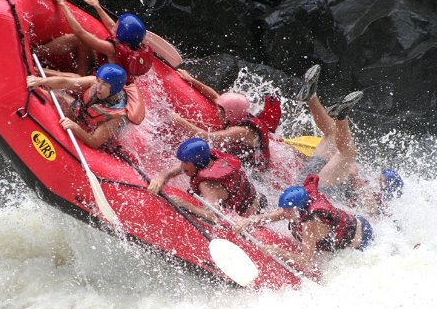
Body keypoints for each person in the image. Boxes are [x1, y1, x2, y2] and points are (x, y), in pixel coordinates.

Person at [294, 64, 404, 217]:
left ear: (384, 187)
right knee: (332, 134)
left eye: (380, 179)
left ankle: (340, 115)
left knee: (348, 152)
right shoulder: (372, 192)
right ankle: (311, 96)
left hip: (316, 197)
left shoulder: (376, 202)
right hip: (311, 185)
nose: (376, 178)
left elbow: (367, 206)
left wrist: (355, 176)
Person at [234, 175, 374, 272]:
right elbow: (270, 216)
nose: (284, 213)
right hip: (353, 220)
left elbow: (306, 261)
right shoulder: (297, 210)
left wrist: (278, 252)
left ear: (298, 209)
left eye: (288, 210)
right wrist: (250, 220)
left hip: (361, 238)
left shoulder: (310, 224)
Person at [169, 69, 282, 170]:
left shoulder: (241, 131)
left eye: (221, 110)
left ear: (230, 113)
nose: (218, 112)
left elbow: (206, 137)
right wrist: (191, 80)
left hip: (254, 170)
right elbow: (216, 97)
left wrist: (179, 121)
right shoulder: (239, 112)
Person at [36, 0, 153, 83]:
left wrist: (62, 4)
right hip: (99, 72)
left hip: (96, 84)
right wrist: (96, 6)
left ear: (122, 34)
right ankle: (35, 52)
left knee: (76, 77)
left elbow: (79, 32)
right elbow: (112, 27)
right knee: (78, 41)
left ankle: (34, 70)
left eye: (118, 25)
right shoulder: (131, 44)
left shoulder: (112, 49)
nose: (114, 25)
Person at [26, 63, 145, 149]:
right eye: (98, 81)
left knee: (60, 99)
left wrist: (75, 127)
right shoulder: (95, 82)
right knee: (59, 94)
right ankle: (31, 84)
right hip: (83, 115)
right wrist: (40, 81)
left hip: (92, 132)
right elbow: (66, 83)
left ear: (114, 89)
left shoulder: (115, 116)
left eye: (104, 84)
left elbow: (94, 142)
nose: (98, 86)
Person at [147, 138, 267, 221]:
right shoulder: (207, 160)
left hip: (252, 212)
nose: (182, 166)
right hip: (256, 197)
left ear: (196, 162)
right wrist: (161, 177)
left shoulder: (206, 185)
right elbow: (171, 172)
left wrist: (187, 205)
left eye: (185, 162)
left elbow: (214, 216)